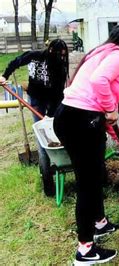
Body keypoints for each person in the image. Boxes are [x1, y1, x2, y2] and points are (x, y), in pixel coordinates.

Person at [53, 24, 119, 264]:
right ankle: (85, 250)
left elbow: (102, 117)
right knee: (87, 183)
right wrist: (110, 107)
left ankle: (100, 223)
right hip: (80, 120)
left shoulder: (100, 53)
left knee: (95, 175)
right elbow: (99, 83)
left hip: (74, 117)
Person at [0, 39, 69, 196]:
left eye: (64, 55)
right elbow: (17, 61)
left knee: (55, 132)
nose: (61, 57)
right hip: (36, 100)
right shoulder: (35, 55)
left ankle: (60, 164)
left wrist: (49, 115)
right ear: (50, 50)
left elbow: (58, 94)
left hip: (52, 101)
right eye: (59, 54)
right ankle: (48, 185)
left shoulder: (60, 67)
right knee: (42, 138)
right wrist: (5, 75)